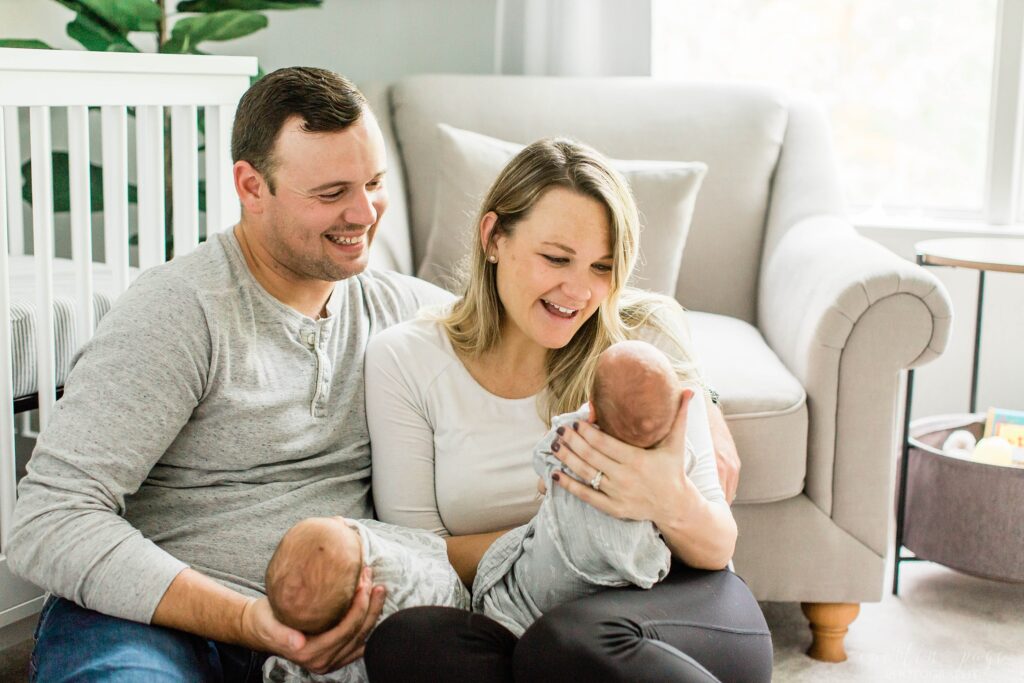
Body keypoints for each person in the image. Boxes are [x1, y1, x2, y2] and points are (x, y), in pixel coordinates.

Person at [7, 67, 452, 681]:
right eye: (331, 193)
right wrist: (246, 620)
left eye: (374, 183)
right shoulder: (180, 309)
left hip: (328, 635)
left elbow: (549, 329)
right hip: (151, 622)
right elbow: (49, 521)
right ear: (251, 186)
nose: (363, 213)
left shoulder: (403, 310)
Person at [363, 138, 773, 682]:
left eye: (602, 266)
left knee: (566, 644)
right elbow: (420, 554)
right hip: (519, 613)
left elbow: (717, 545)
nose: (579, 290)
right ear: (493, 238)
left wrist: (662, 498)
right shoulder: (405, 359)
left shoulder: (640, 342)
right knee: (408, 642)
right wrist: (563, 525)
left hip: (676, 604)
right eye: (556, 258)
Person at [474, 340, 722, 637]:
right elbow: (655, 565)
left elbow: (544, 471)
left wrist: (552, 483)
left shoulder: (575, 433)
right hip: (612, 597)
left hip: (536, 597)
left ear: (591, 410)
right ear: (676, 414)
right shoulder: (675, 456)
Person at [262, 517, 468, 682]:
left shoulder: (304, 650)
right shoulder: (384, 579)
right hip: (447, 612)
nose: (340, 520)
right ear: (363, 581)